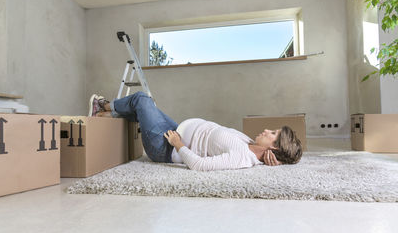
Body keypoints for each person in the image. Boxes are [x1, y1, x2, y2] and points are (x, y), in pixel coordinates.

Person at [88, 91, 303, 171]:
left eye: (272, 133)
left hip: (164, 147)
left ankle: (102, 107)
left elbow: (200, 165)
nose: (266, 130)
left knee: (142, 99)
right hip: (175, 130)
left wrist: (177, 144)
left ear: (274, 146)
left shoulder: (242, 157)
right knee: (146, 108)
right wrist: (280, 159)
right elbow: (284, 155)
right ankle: (106, 116)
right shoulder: (249, 143)